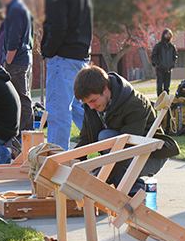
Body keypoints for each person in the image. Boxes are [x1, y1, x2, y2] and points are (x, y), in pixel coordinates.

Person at [73, 65, 178, 196]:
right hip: (120, 153)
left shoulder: (135, 104)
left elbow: (126, 149)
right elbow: (86, 141)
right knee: (107, 139)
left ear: (105, 89)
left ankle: (134, 191)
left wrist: (101, 178)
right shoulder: (91, 107)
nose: (91, 106)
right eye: (87, 103)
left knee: (106, 137)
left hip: (149, 156)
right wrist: (71, 165)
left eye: (93, 100)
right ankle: (121, 189)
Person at [41, 0, 92, 150]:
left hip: (63, 57)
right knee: (81, 109)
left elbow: (57, 25)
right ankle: (108, 148)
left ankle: (56, 161)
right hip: (79, 56)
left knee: (58, 112)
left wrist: (48, 50)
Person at [1, 0, 34, 135]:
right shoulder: (17, 7)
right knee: (21, 97)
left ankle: (25, 134)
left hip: (16, 61)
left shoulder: (15, 8)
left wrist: (8, 61)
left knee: (20, 98)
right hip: (20, 59)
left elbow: (14, 37)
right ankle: (24, 133)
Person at [150, 28, 177, 97]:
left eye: (169, 34)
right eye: (166, 34)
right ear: (163, 35)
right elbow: (153, 56)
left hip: (168, 70)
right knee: (159, 87)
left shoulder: (172, 47)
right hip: (160, 70)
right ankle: (160, 101)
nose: (168, 35)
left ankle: (166, 101)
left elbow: (175, 57)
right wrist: (159, 64)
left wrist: (172, 64)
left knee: (167, 87)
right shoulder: (158, 46)